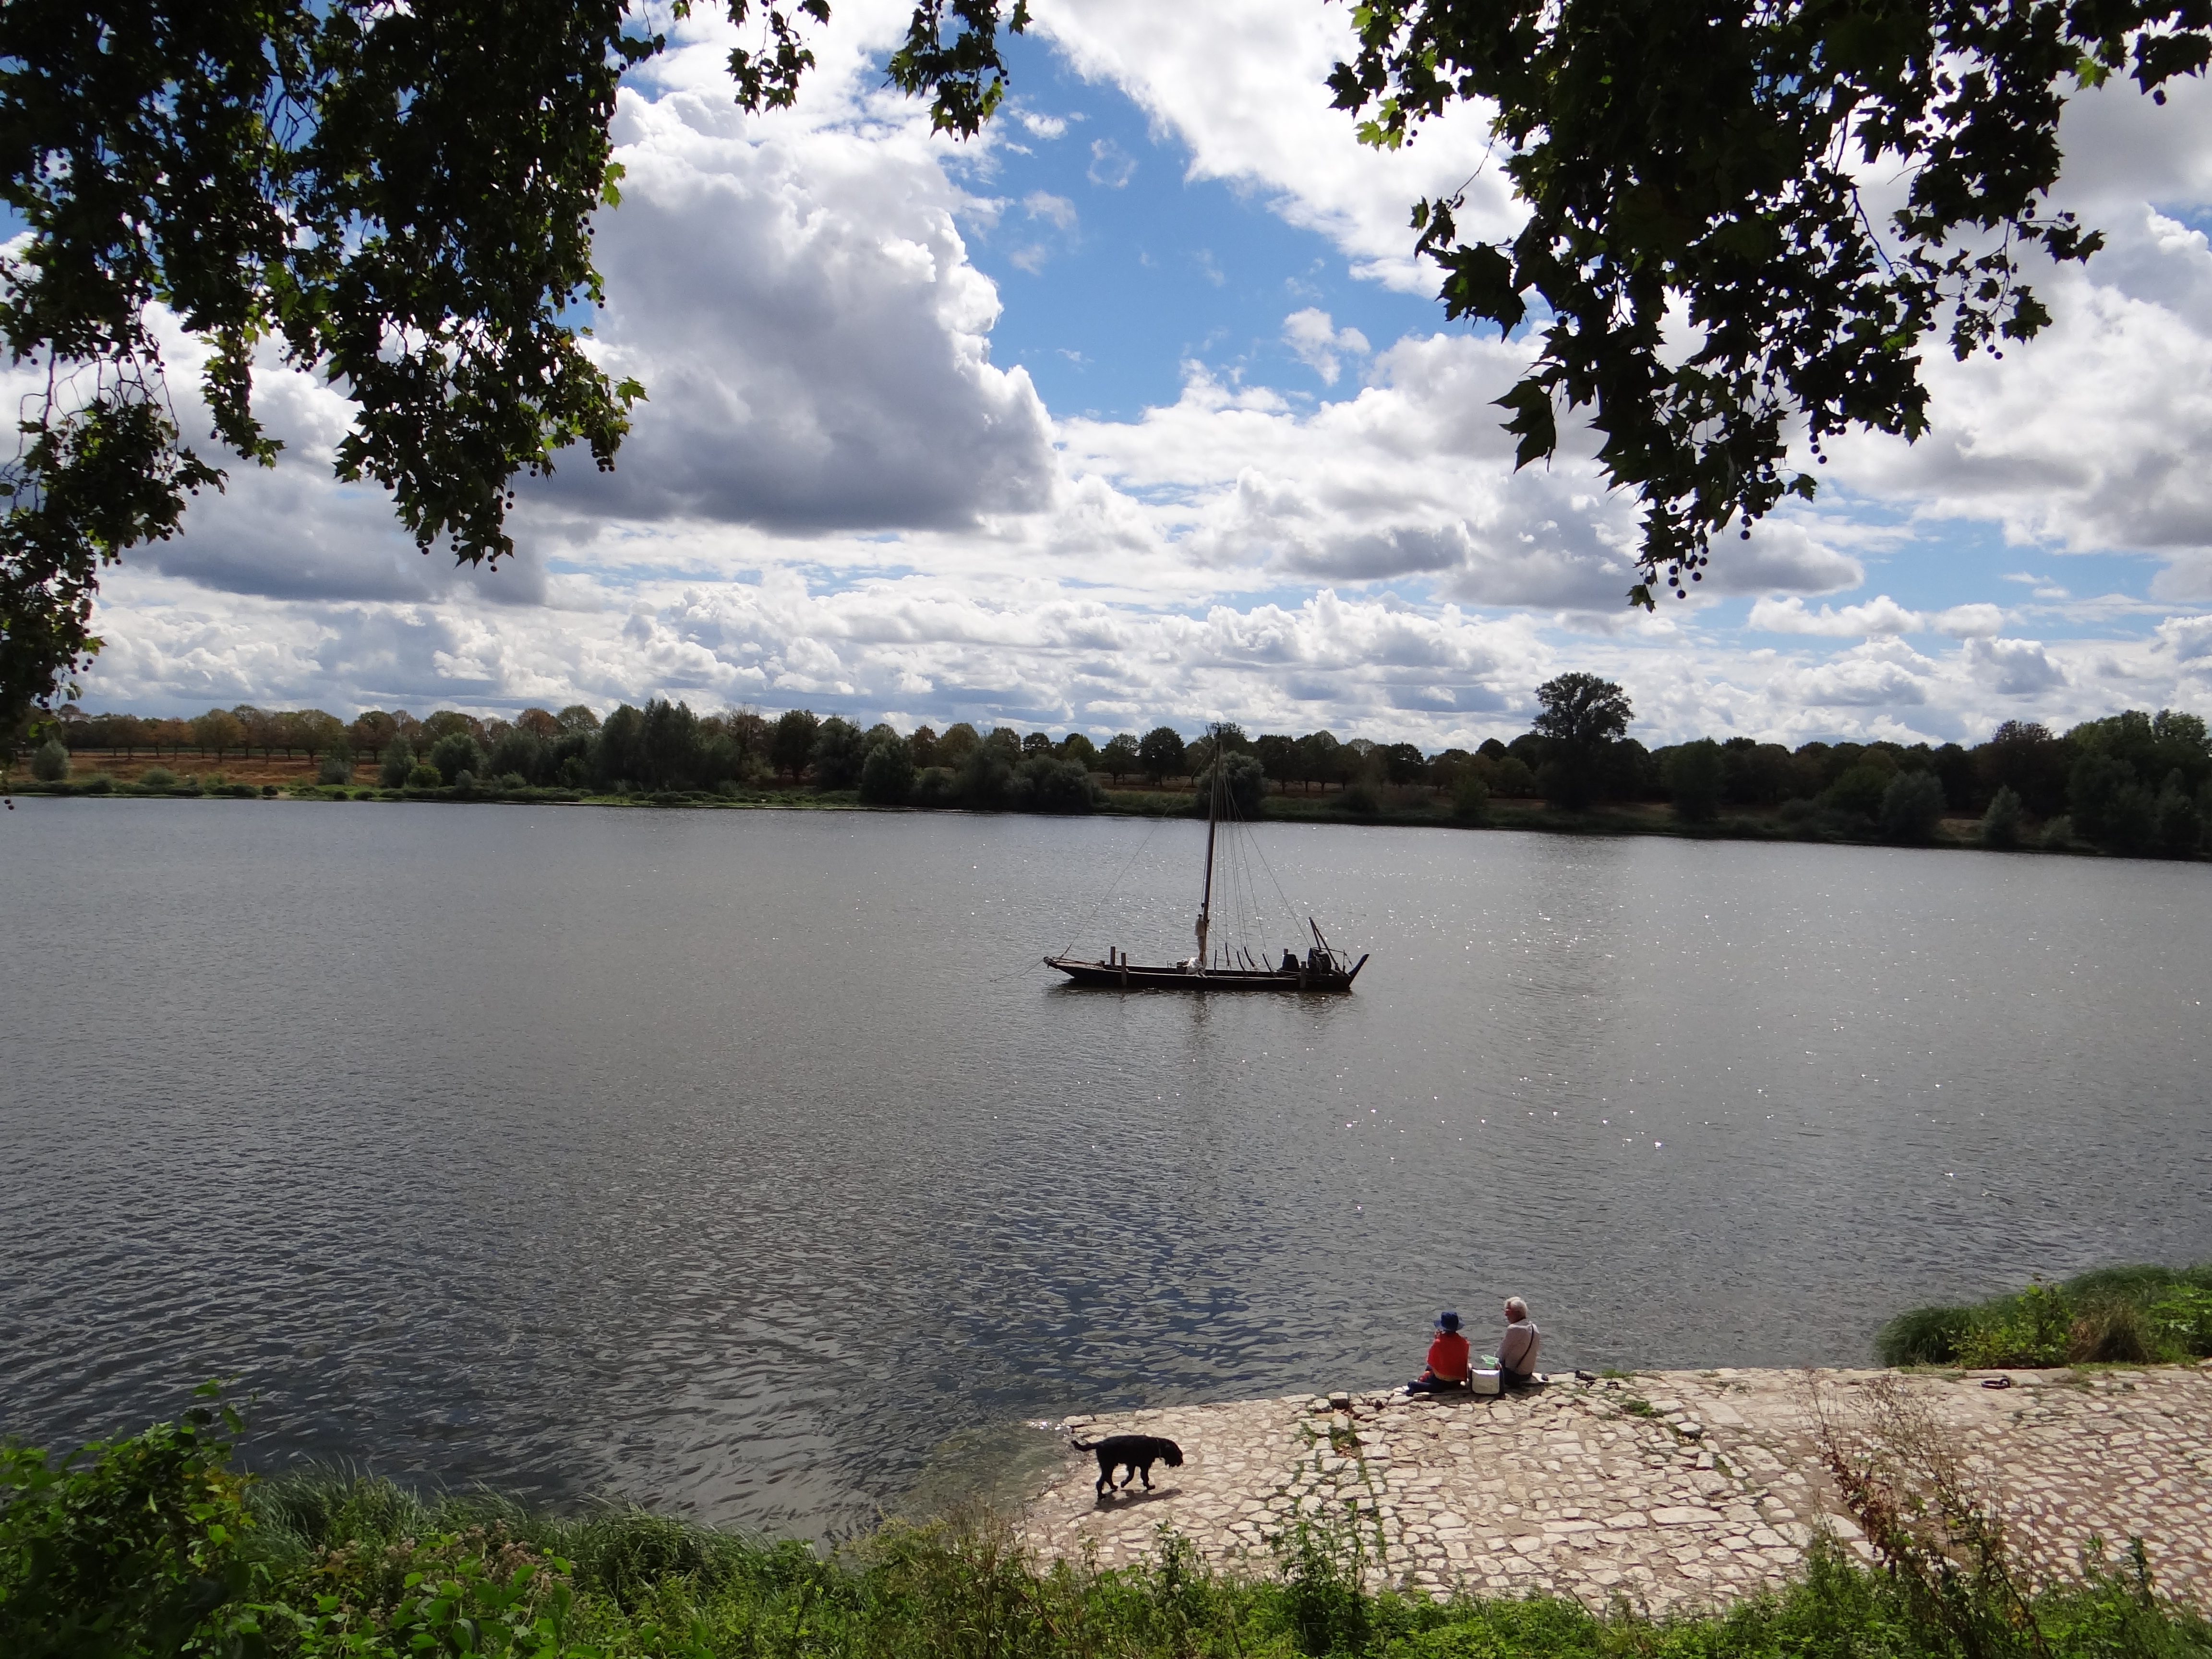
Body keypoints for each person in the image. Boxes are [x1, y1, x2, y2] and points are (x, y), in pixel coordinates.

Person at [1407, 1310, 1470, 1393]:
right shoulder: (1464, 1342)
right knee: (1429, 1369)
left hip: (1440, 1382)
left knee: (1411, 1384)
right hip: (1456, 1382)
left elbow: (1431, 1361)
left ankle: (1434, 1388)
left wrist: (1437, 1339)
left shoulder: (1438, 1343)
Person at [1498, 1297, 1541, 1387]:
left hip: (1513, 1375)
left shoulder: (1514, 1329)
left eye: (1508, 1312)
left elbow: (1501, 1355)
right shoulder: (1534, 1328)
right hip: (1527, 1374)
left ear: (1517, 1313)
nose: (1506, 1315)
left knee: (1494, 1363)